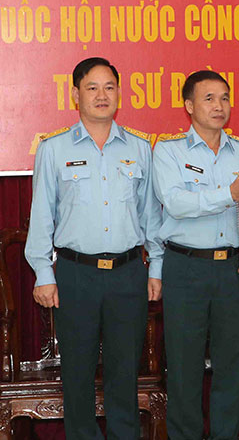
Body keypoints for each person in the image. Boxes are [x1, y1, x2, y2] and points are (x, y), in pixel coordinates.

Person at [24, 57, 163, 440]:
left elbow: (150, 215)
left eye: (109, 87)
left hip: (128, 273)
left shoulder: (138, 148)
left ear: (119, 93)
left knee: (124, 372)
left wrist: (155, 270)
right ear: (75, 95)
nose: (102, 96)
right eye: (92, 88)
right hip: (75, 274)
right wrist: (43, 273)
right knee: (78, 373)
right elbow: (41, 218)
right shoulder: (53, 149)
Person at [152, 70, 239, 440]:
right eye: (209, 98)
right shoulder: (169, 151)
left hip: (233, 270)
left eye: (225, 98)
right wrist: (228, 192)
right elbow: (176, 203)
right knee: (184, 366)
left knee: (233, 365)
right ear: (188, 106)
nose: (219, 106)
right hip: (186, 268)